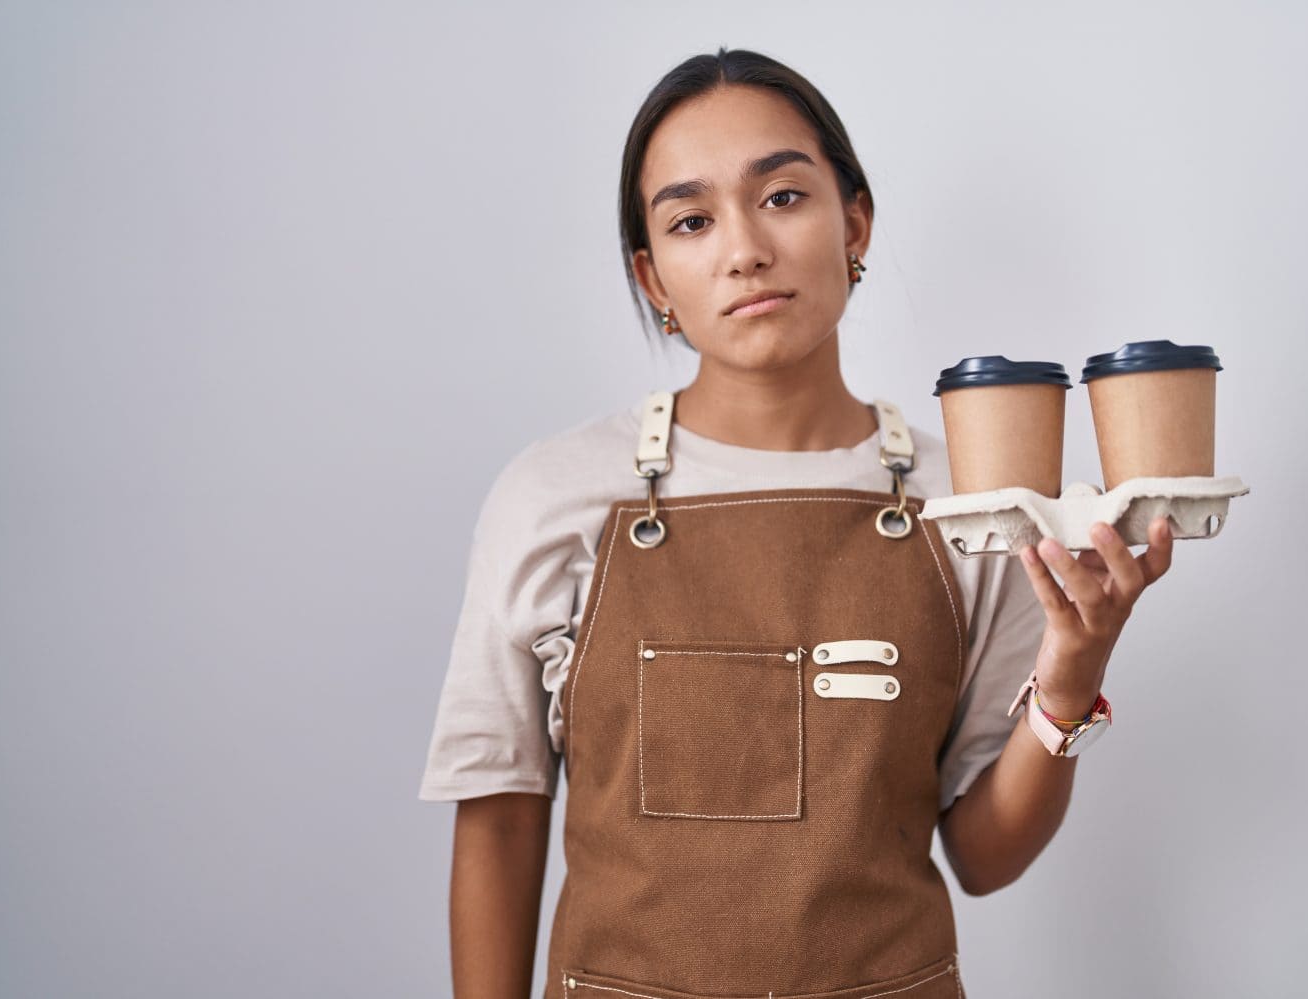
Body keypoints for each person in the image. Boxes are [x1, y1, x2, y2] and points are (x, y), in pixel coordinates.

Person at [417, 47, 1173, 999]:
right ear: (654, 279)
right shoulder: (551, 498)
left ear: (853, 220)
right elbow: (501, 818)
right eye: (692, 220)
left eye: (780, 197)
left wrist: (1071, 679)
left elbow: (984, 853)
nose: (744, 250)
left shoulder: (971, 504)